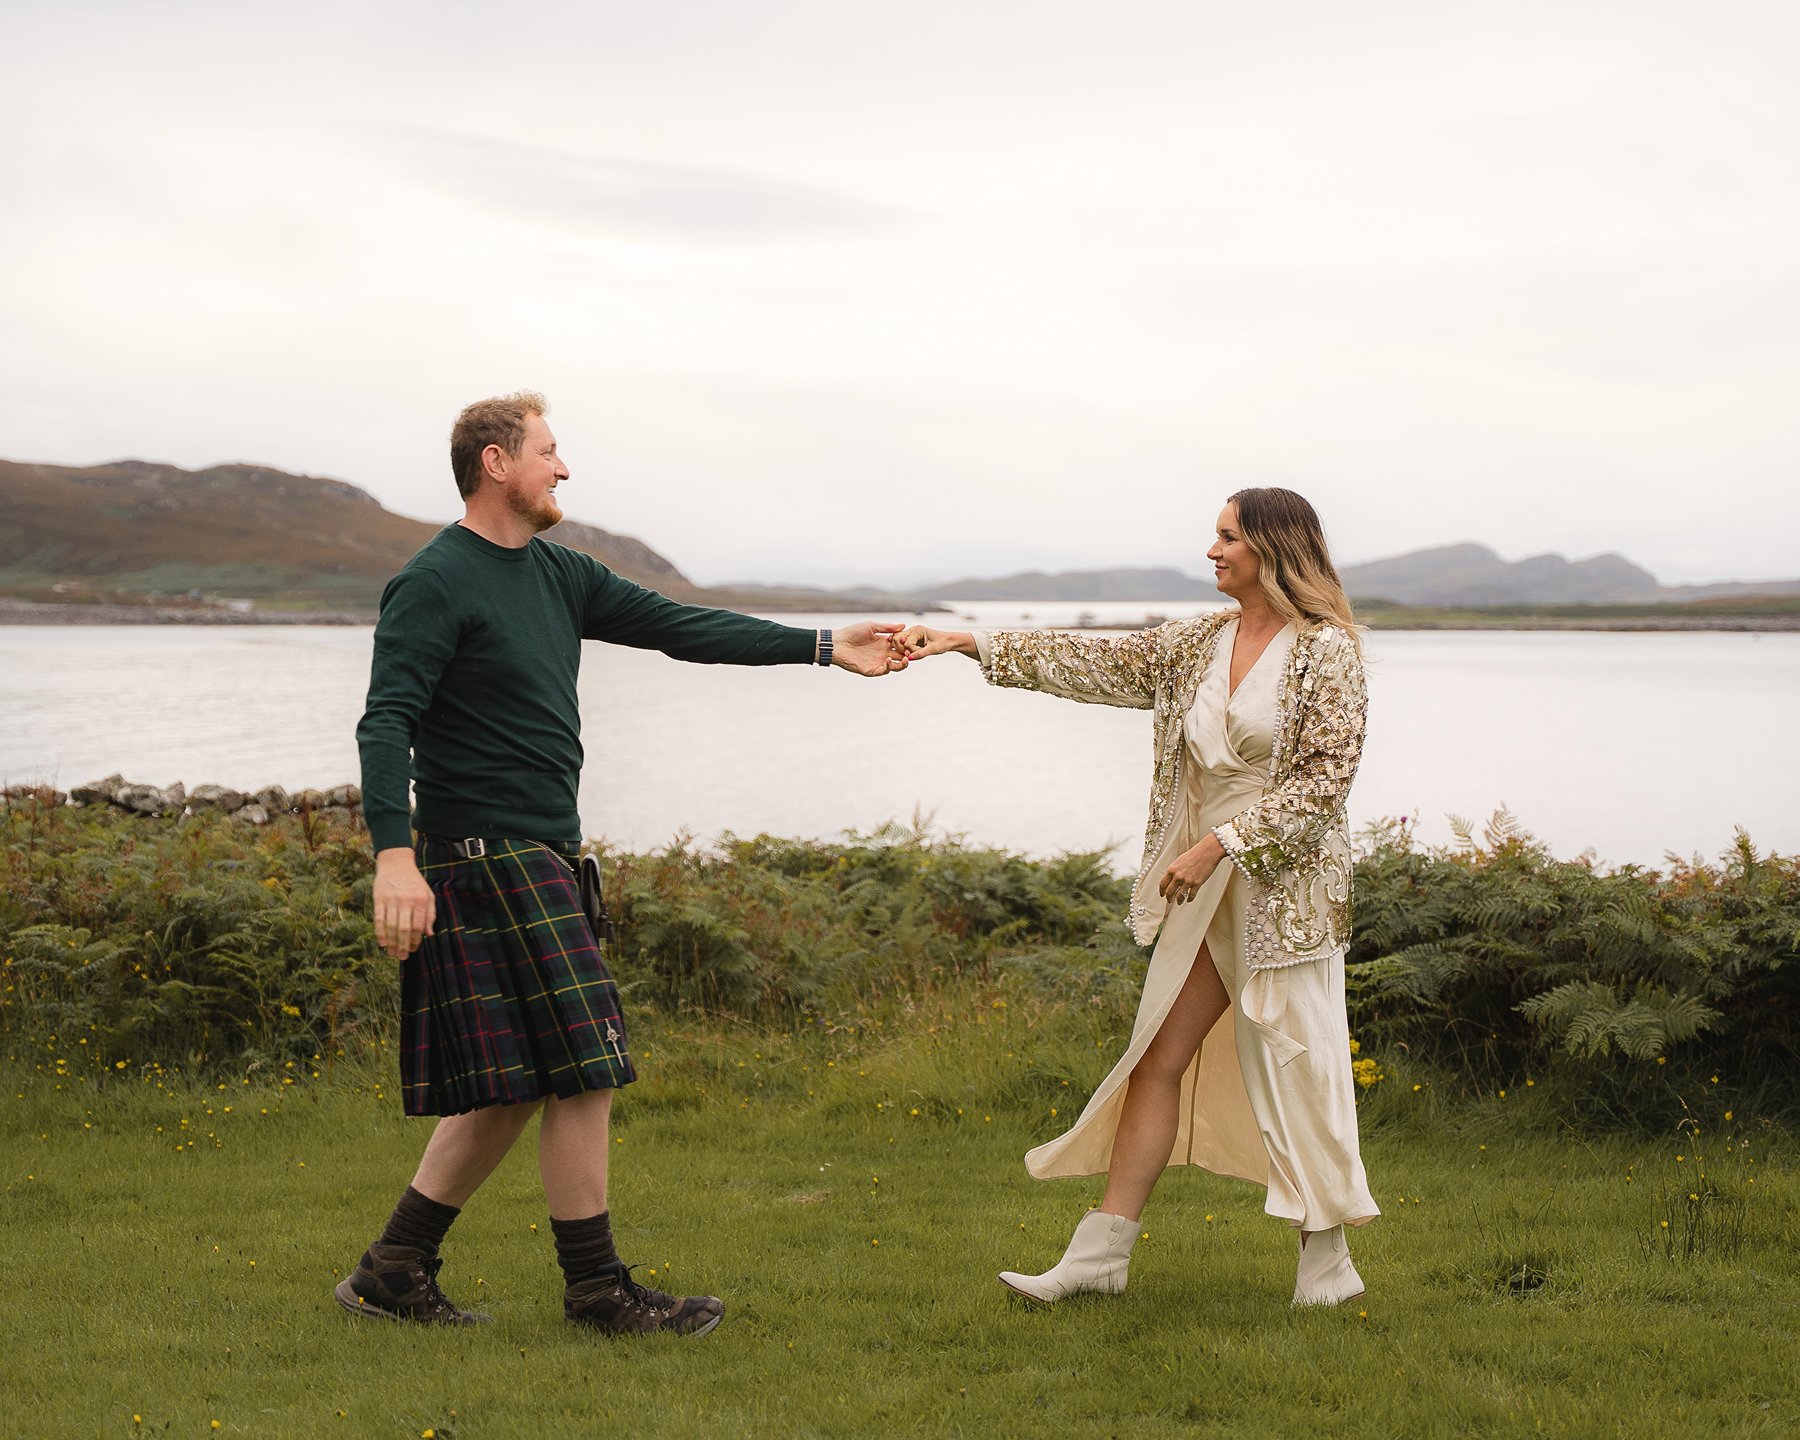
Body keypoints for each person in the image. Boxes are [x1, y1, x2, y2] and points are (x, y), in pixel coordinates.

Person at [335, 391, 907, 1337]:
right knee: (586, 1065)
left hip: (543, 852)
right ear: (495, 463)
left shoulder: (562, 575)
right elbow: (386, 720)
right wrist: (395, 860)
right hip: (483, 858)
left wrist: (822, 646)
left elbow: (682, 626)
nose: (564, 469)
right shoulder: (434, 581)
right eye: (550, 453)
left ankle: (395, 1268)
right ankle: (596, 1291)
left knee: (518, 1083)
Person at [896, 487, 1378, 1306]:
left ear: (1272, 547)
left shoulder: (1327, 650)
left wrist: (1218, 845)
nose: (1212, 550)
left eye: (1226, 537)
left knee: (1299, 1068)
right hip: (1202, 884)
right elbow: (1095, 661)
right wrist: (962, 641)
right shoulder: (1200, 641)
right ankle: (1099, 1259)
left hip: (1282, 892)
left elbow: (1324, 781)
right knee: (1156, 1057)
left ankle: (1328, 1268)